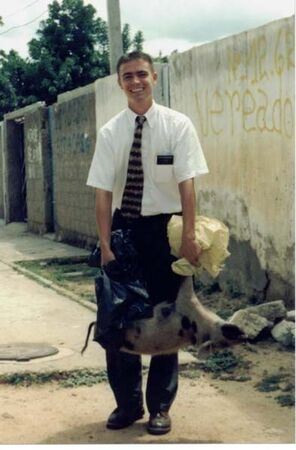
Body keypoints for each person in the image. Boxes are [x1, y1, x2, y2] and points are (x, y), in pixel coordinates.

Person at [86, 51, 209, 435]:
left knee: (166, 319)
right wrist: (106, 245)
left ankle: (160, 407)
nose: (135, 81)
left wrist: (188, 235)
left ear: (154, 78)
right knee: (118, 319)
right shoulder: (111, 132)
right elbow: (103, 193)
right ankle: (126, 406)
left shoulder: (178, 125)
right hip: (125, 232)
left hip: (165, 233)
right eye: (128, 76)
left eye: (142, 74)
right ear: (119, 82)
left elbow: (187, 184)